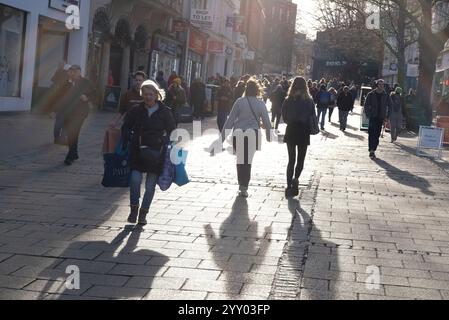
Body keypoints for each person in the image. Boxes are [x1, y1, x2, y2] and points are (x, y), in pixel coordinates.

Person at [121, 80, 176, 225]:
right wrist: (130, 136)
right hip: (137, 152)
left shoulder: (165, 112)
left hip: (156, 154)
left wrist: (164, 140)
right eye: (145, 94)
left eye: (151, 94)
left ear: (157, 95)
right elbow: (125, 127)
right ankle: (133, 210)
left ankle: (143, 213)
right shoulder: (136, 111)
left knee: (150, 186)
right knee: (135, 181)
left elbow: (173, 132)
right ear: (142, 95)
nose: (148, 97)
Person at [221, 78, 272, 198]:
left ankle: (241, 185)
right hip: (253, 134)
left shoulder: (239, 102)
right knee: (248, 161)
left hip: (238, 133)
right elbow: (267, 121)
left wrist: (221, 139)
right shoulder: (260, 103)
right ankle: (244, 187)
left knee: (240, 160)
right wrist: (269, 136)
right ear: (257, 90)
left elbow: (230, 121)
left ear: (246, 89)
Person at [282, 77, 316, 198]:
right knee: (301, 159)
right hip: (303, 131)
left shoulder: (288, 99)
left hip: (291, 130)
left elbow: (284, 117)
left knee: (291, 160)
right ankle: (296, 178)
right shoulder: (309, 101)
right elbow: (313, 116)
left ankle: (288, 185)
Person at [54, 65, 94, 166]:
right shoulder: (66, 83)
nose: (73, 74)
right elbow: (59, 97)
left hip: (80, 112)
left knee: (73, 132)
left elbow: (95, 93)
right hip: (67, 112)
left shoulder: (86, 82)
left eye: (75, 72)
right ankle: (74, 153)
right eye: (71, 72)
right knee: (71, 133)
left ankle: (69, 157)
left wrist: (87, 97)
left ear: (79, 73)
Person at [364, 79, 392, 159]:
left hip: (381, 117)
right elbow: (366, 105)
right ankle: (371, 151)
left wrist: (388, 116)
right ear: (377, 85)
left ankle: (374, 148)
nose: (381, 86)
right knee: (371, 133)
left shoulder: (386, 95)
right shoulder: (371, 94)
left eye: (382, 85)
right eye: (380, 84)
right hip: (373, 117)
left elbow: (391, 106)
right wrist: (368, 114)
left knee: (377, 134)